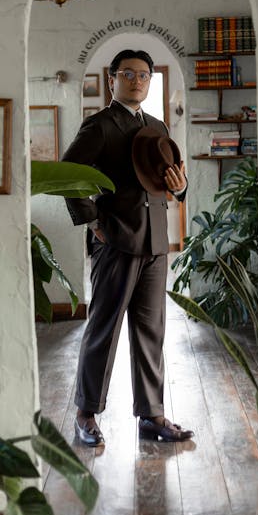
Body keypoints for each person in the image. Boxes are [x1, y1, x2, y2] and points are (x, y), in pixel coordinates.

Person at [62, 49, 194, 446]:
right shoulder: (99, 125)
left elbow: (172, 183)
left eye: (143, 75)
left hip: (156, 241)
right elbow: (69, 173)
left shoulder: (156, 125)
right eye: (128, 74)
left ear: (150, 82)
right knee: (104, 330)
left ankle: (151, 416)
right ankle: (86, 414)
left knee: (152, 332)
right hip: (116, 240)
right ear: (112, 80)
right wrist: (93, 221)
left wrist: (181, 187)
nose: (136, 80)